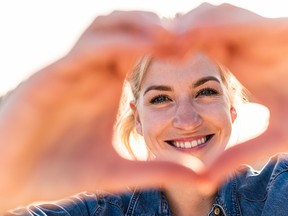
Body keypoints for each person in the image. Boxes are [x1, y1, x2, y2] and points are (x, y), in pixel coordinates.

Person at [1, 3, 288, 215]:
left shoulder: (279, 189)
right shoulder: (95, 210)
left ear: (232, 108)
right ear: (137, 118)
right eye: (161, 99)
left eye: (205, 92)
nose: (187, 120)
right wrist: (8, 177)